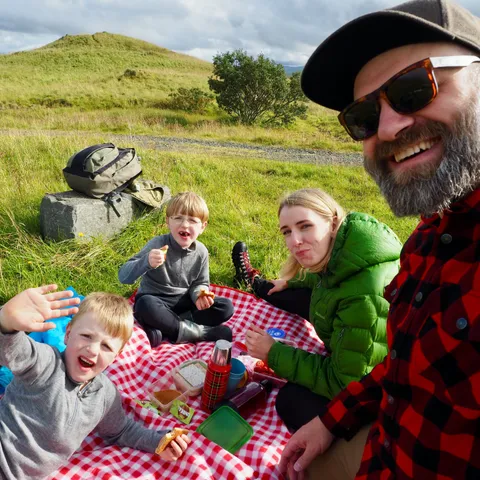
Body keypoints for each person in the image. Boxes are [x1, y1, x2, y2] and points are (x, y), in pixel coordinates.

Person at [279, 1, 480, 479]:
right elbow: (406, 365)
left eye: (415, 87)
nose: (388, 128)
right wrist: (332, 419)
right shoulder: (430, 233)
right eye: (364, 116)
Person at [232, 188, 402, 432]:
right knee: (283, 291)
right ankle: (256, 283)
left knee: (290, 400)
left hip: (372, 392)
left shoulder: (364, 298)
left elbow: (344, 383)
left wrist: (274, 353)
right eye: (287, 232)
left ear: (332, 223)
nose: (294, 241)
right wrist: (291, 282)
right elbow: (328, 277)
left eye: (305, 226)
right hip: (351, 337)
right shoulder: (350, 246)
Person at [0, 285, 191, 480]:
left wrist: (159, 442)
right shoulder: (46, 364)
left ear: (116, 356)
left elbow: (122, 430)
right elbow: (11, 349)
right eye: (86, 336)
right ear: (68, 334)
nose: (93, 350)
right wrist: (6, 322)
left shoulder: (105, 396)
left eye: (106, 346)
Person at [118, 191, 233, 347]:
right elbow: (123, 276)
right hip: (156, 301)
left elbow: (200, 282)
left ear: (202, 227)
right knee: (145, 305)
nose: (185, 225)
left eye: (192, 220)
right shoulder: (158, 243)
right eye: (178, 218)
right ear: (168, 222)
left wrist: (199, 295)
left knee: (225, 307)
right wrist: (146, 261)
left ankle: (165, 328)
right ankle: (201, 332)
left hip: (183, 305)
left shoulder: (201, 252)